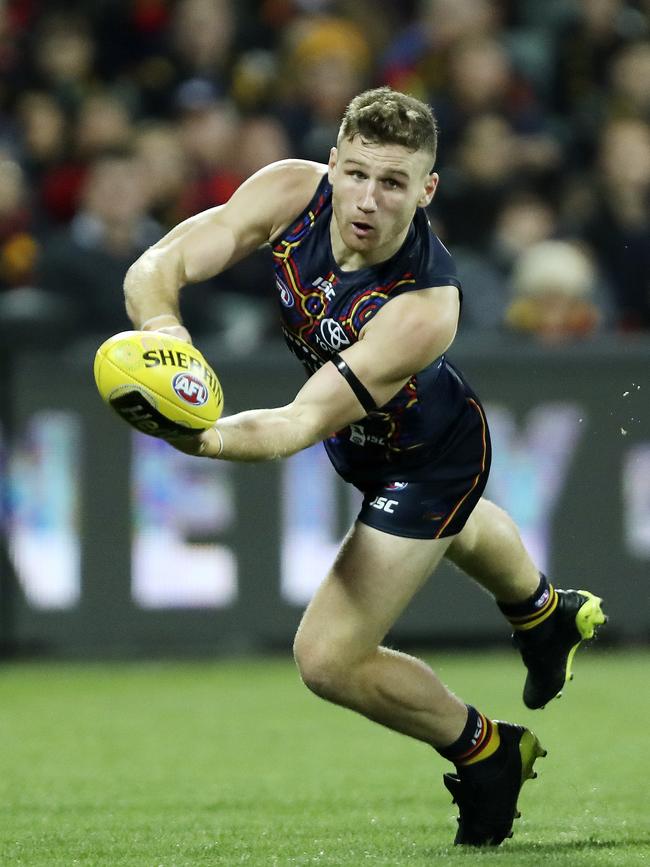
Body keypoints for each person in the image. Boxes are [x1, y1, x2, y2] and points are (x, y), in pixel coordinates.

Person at [122, 87, 606, 846]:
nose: (367, 199)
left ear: (427, 190)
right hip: (364, 444)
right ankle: (545, 615)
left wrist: (198, 436)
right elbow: (161, 262)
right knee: (468, 531)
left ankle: (488, 751)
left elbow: (296, 422)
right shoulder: (291, 190)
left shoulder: (425, 303)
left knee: (326, 657)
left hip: (430, 458)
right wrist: (165, 337)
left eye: (392, 182)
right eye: (355, 173)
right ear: (333, 163)